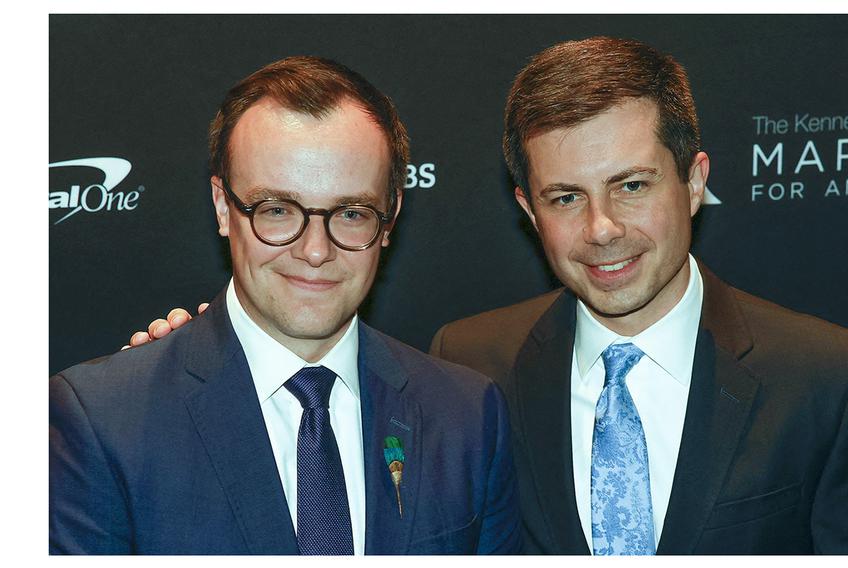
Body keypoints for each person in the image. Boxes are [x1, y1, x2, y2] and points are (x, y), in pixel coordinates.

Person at [126, 37, 848, 555]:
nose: (602, 229)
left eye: (631, 186)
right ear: (526, 207)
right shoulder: (474, 365)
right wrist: (199, 365)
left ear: (695, 181)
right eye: (565, 196)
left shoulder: (834, 379)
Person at [49, 56, 520, 555]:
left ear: (389, 218)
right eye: (276, 210)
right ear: (221, 207)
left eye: (351, 213)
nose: (315, 250)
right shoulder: (103, 421)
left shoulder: (466, 416)